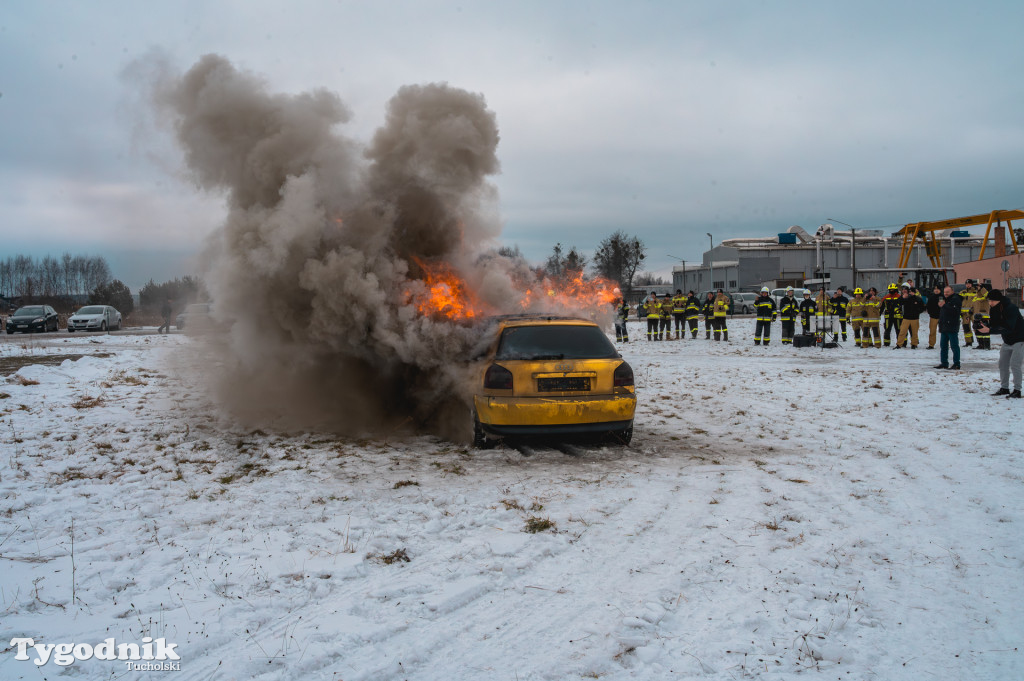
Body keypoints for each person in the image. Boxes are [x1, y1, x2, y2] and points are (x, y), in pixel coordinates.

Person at [978, 289, 1024, 398]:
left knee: (1015, 364)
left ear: (999, 300)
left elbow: (1009, 327)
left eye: (992, 301)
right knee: (1002, 364)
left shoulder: (1011, 308)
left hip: (1020, 339)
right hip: (1007, 341)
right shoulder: (994, 308)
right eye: (989, 300)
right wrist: (985, 325)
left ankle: (1017, 390)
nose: (990, 303)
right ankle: (1004, 388)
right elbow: (995, 324)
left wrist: (989, 330)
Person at [935, 285, 963, 369]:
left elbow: (955, 311)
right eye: (944, 292)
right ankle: (944, 363)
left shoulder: (956, 299)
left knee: (954, 346)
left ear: (952, 291)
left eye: (947, 292)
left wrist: (944, 305)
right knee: (943, 346)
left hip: (952, 326)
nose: (945, 293)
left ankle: (956, 363)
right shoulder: (945, 299)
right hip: (944, 326)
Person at [895, 284, 924, 349]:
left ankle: (914, 344)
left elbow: (922, 308)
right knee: (902, 332)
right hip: (906, 318)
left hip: (915, 318)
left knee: (914, 332)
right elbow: (899, 302)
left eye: (912, 292)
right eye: (910, 292)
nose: (911, 293)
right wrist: (902, 297)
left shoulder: (918, 299)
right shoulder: (906, 298)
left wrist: (917, 312)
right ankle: (899, 344)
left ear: (915, 292)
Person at [971, 285, 992, 350]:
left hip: (984, 317)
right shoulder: (976, 296)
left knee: (985, 332)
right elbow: (974, 305)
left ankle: (987, 346)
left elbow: (987, 295)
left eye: (979, 286)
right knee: (978, 332)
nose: (977, 287)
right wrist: (971, 310)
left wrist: (982, 288)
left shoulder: (985, 295)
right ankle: (981, 345)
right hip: (976, 317)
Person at [960, 279, 978, 347]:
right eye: (967, 284)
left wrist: (974, 309)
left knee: (976, 327)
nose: (968, 285)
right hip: (965, 314)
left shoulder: (976, 292)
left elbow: (977, 302)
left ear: (972, 284)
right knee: (966, 328)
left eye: (969, 284)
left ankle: (980, 341)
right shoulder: (962, 292)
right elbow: (958, 301)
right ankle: (968, 342)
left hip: (973, 313)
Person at [926, 284, 943, 349]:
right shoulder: (931, 297)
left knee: (944, 331)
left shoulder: (943, 297)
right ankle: (931, 344)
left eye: (937, 289)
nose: (936, 290)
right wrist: (930, 312)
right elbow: (928, 306)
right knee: (932, 331)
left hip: (942, 317)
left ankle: (945, 344)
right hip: (933, 317)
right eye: (935, 289)